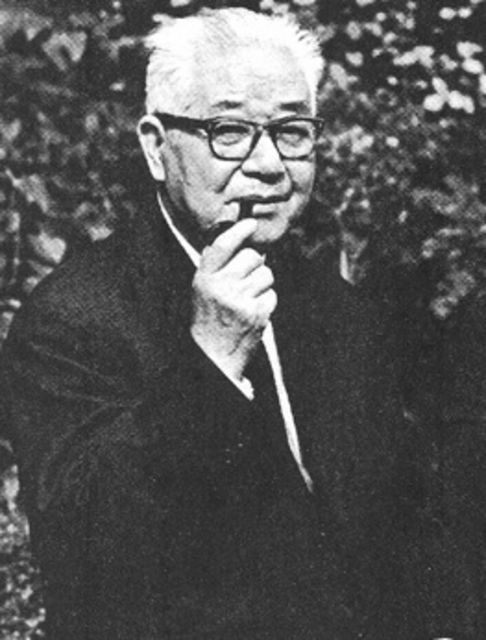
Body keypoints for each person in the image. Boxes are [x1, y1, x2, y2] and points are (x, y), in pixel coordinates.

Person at [1, 8, 423, 639]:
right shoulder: (71, 319)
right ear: (156, 147)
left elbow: (410, 524)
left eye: (292, 131)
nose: (269, 164)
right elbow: (88, 555)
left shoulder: (338, 307)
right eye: (229, 131)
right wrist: (212, 357)